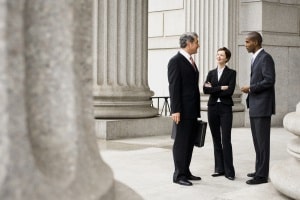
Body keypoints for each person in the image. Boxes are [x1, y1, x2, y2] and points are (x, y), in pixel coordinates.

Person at [241, 31, 276, 185]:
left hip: (262, 106)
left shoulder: (265, 58)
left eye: (248, 42)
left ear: (255, 42)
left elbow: (269, 80)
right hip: (256, 105)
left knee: (262, 143)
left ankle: (262, 176)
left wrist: (251, 88)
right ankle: (259, 170)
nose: (245, 45)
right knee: (257, 142)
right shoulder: (256, 58)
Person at [168, 32, 201, 186]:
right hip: (182, 110)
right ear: (189, 43)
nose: (198, 45)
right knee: (181, 142)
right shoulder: (175, 61)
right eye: (196, 43)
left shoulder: (190, 61)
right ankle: (178, 175)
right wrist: (175, 110)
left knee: (189, 142)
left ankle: (186, 171)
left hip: (192, 110)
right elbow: (174, 87)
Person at [203, 47, 236, 181]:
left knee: (226, 139)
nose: (218, 57)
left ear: (226, 58)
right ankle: (219, 168)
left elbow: (230, 91)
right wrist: (221, 88)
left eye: (221, 55)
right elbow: (205, 90)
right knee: (216, 139)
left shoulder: (232, 73)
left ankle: (229, 171)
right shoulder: (211, 73)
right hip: (212, 108)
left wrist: (214, 89)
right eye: (217, 55)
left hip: (225, 108)